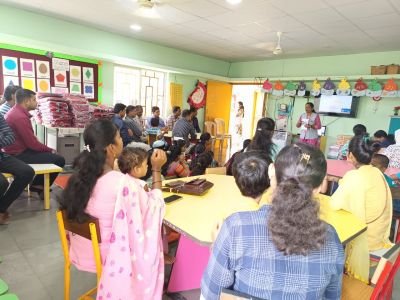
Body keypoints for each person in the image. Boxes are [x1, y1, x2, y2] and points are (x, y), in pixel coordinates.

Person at [201, 146, 344, 299]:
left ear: (271, 171)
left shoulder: (236, 227)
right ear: (323, 184)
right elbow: (332, 297)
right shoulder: (331, 238)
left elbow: (211, 294)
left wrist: (218, 247)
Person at [59, 119, 167, 299]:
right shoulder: (122, 184)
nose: (122, 140)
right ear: (111, 148)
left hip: (80, 251)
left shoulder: (80, 177)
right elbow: (154, 209)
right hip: (108, 258)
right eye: (119, 137)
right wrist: (156, 169)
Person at [331, 136, 392, 282]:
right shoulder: (376, 172)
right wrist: (339, 180)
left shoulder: (354, 176)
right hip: (379, 234)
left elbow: (335, 204)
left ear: (351, 155)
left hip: (365, 239)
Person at [3, 89, 64, 194]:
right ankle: (38, 185)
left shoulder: (15, 112)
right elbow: (32, 144)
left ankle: (37, 184)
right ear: (27, 101)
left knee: (47, 153)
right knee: (59, 159)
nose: (36, 102)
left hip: (15, 151)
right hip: (17, 155)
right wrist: (51, 150)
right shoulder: (19, 117)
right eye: (34, 99)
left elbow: (31, 142)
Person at [0, 113, 35, 224]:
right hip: (17, 153)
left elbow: (10, 136)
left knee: (27, 172)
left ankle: (1, 208)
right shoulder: (18, 115)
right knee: (2, 183)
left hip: (2, 156)